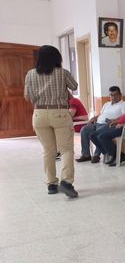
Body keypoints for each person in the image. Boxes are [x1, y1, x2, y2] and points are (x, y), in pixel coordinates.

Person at [24, 45, 79, 198]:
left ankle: (51, 184)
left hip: (39, 114)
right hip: (60, 112)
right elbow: (74, 86)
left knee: (48, 151)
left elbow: (27, 96)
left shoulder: (30, 74)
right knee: (66, 149)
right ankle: (66, 182)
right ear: (57, 58)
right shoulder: (62, 73)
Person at [76, 86, 125, 163]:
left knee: (98, 132)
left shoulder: (123, 104)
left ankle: (97, 155)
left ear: (120, 95)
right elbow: (101, 114)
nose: (113, 97)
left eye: (116, 95)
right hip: (97, 123)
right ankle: (86, 154)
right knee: (84, 129)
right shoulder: (107, 104)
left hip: (109, 125)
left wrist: (115, 120)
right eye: (111, 95)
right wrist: (94, 118)